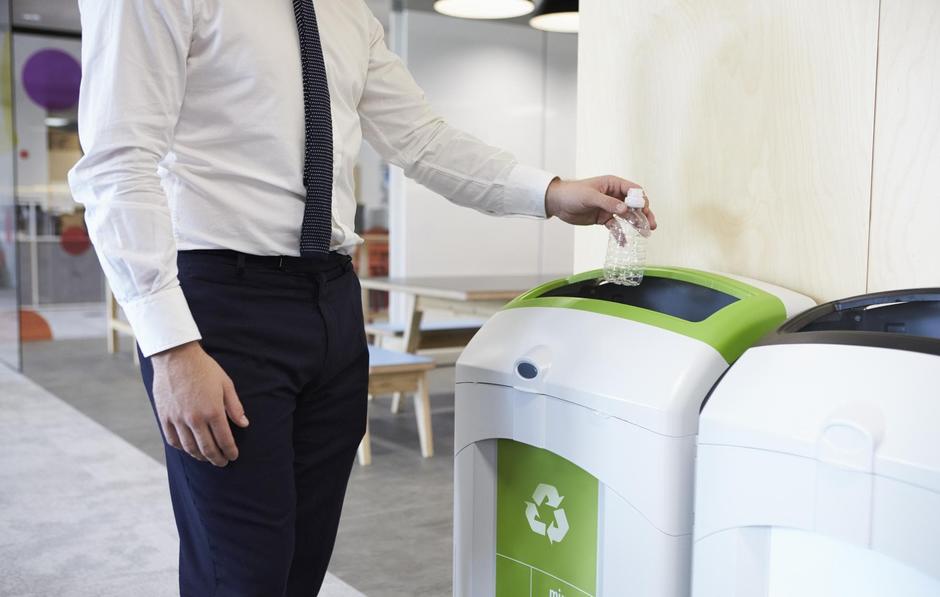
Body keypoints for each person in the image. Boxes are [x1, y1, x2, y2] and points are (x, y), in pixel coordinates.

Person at [68, 1, 656, 596]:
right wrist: (170, 345)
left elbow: (422, 140)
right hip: (222, 307)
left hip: (332, 302)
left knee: (302, 562)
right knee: (243, 573)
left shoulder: (344, 9)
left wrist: (552, 193)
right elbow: (119, 164)